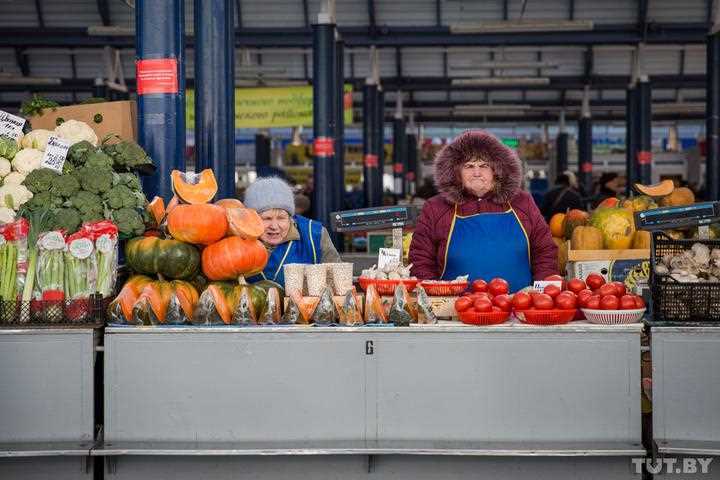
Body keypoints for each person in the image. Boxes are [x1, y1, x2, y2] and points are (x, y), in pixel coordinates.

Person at [408, 130, 558, 292]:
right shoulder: (436, 208)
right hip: (454, 311)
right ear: (456, 173)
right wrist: (435, 299)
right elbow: (421, 259)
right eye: (469, 166)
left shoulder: (523, 202)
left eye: (484, 165)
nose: (477, 173)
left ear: (497, 170)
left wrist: (544, 295)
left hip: (520, 308)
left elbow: (545, 252)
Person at [243, 177, 341, 286]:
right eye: (267, 218)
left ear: (290, 217)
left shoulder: (316, 235)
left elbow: (337, 282)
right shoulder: (237, 241)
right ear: (251, 219)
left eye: (281, 218)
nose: (274, 226)